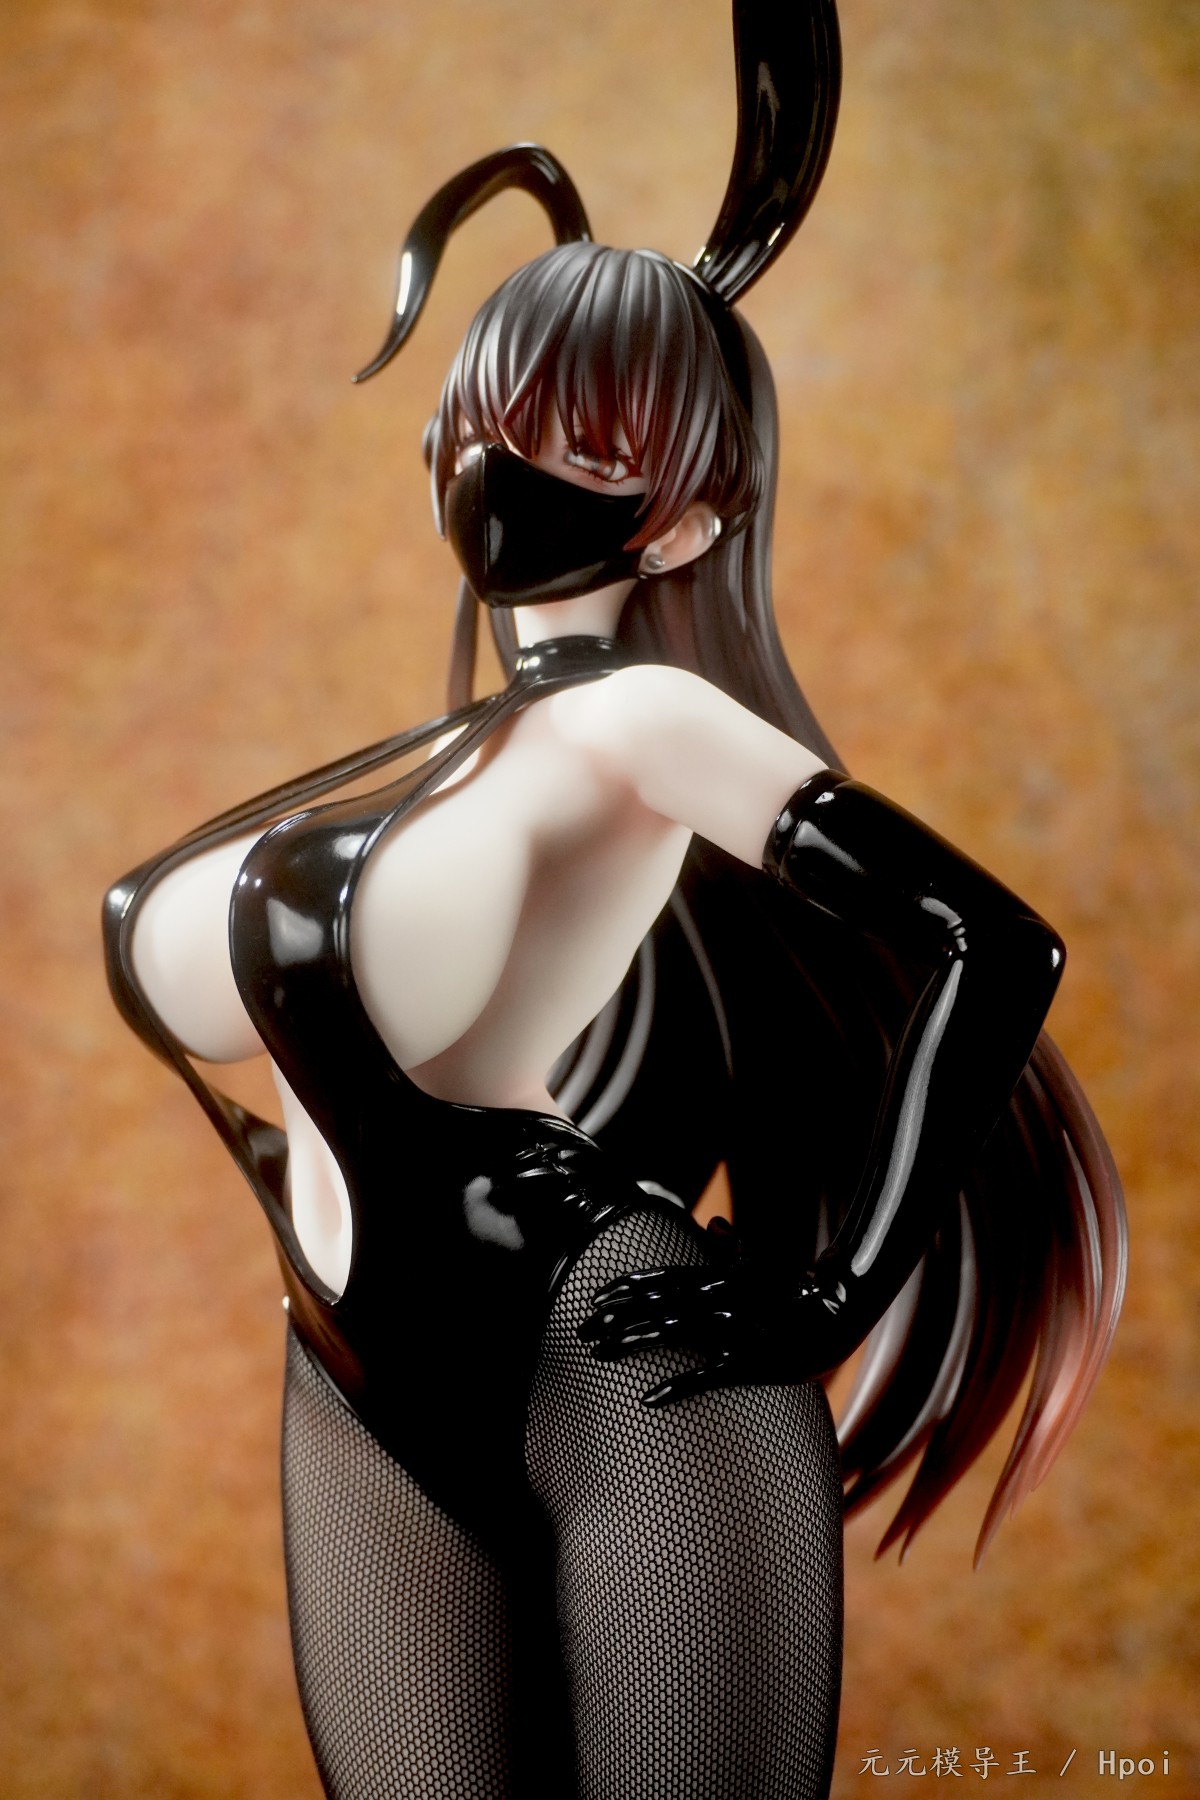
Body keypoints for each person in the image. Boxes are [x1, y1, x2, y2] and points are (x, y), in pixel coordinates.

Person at [102, 7, 1125, 1798]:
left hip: (617, 1355)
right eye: (493, 420)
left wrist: (838, 1289)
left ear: (685, 522)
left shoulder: (648, 718)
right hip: (346, 1380)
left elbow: (997, 941)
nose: (506, 468)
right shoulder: (415, 764)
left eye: (584, 446)